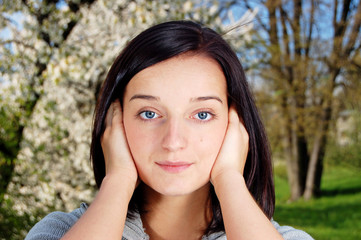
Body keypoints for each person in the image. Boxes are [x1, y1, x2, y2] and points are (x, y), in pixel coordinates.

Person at [25, 20, 313, 240]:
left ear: (235, 125)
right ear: (116, 123)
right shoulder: (61, 230)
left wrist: (229, 179)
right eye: (149, 114)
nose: (173, 141)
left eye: (202, 114)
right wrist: (118, 180)